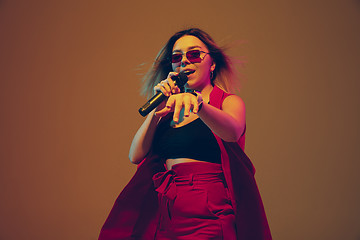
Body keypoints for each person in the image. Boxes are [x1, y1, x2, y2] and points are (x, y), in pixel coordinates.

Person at [98, 28, 272, 240]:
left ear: (212, 63)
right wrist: (156, 112)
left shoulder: (228, 102)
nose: (184, 61)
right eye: (176, 57)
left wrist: (199, 105)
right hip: (165, 212)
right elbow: (135, 156)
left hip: (208, 213)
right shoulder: (169, 108)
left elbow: (232, 133)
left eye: (194, 54)